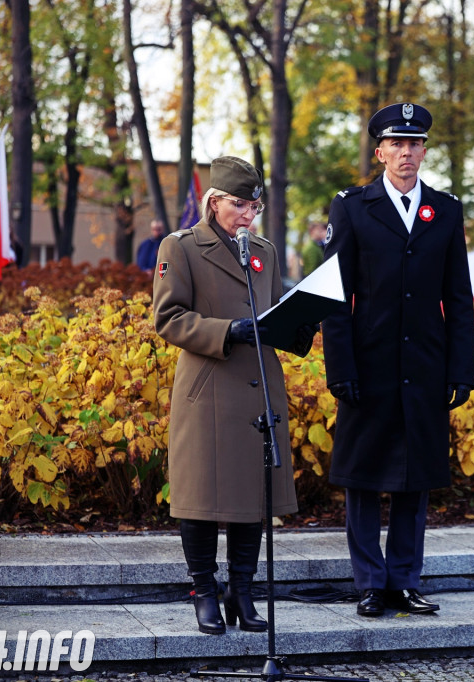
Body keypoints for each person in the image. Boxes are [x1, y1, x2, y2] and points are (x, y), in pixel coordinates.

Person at [321, 102, 474, 619]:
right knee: (363, 477)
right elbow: (334, 293)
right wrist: (339, 368)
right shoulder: (352, 207)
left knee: (416, 476)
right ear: (380, 151)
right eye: (397, 144)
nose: (407, 153)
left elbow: (458, 296)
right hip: (368, 362)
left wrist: (461, 369)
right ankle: (369, 582)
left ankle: (405, 580)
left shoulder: (446, 209)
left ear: (425, 150)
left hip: (426, 366)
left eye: (415, 144)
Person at [152, 155, 316, 635]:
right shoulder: (180, 247)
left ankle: (241, 593)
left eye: (254, 206)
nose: (248, 214)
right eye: (239, 205)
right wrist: (229, 330)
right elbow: (168, 317)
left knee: (253, 496)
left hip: (258, 387)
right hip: (208, 390)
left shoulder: (261, 251)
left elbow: (273, 313)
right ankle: (205, 591)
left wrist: (303, 322)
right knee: (200, 498)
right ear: (214, 201)